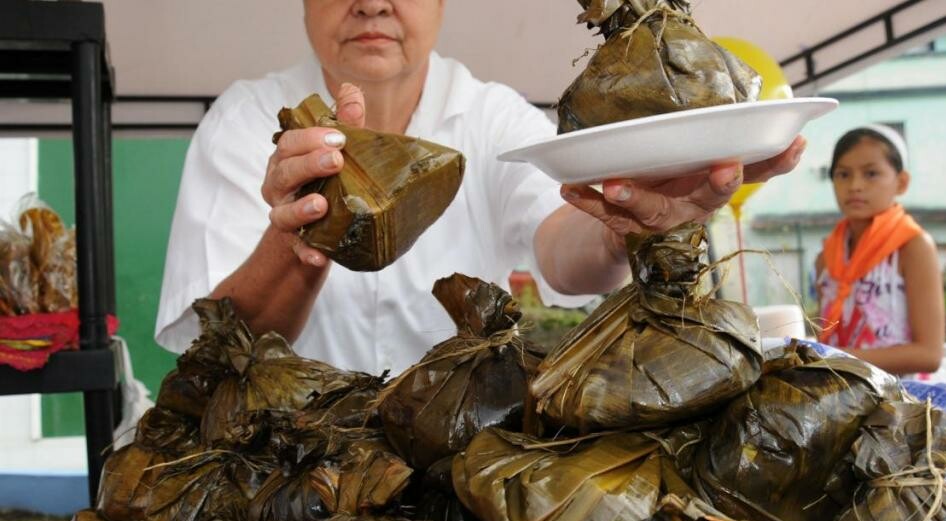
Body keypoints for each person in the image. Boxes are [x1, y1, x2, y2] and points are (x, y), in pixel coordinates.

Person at [156, 0, 804, 374]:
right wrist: (301, 236)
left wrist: (626, 220)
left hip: (453, 469)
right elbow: (218, 345)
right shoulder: (246, 121)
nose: (373, 2)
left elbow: (564, 248)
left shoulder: (492, 115)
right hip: (291, 470)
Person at [815, 125, 945, 374]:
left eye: (871, 173)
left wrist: (839, 358)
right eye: (843, 174)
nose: (855, 185)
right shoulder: (826, 257)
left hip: (903, 399)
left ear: (902, 182)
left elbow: (930, 354)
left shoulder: (913, 248)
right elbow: (825, 331)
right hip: (840, 391)